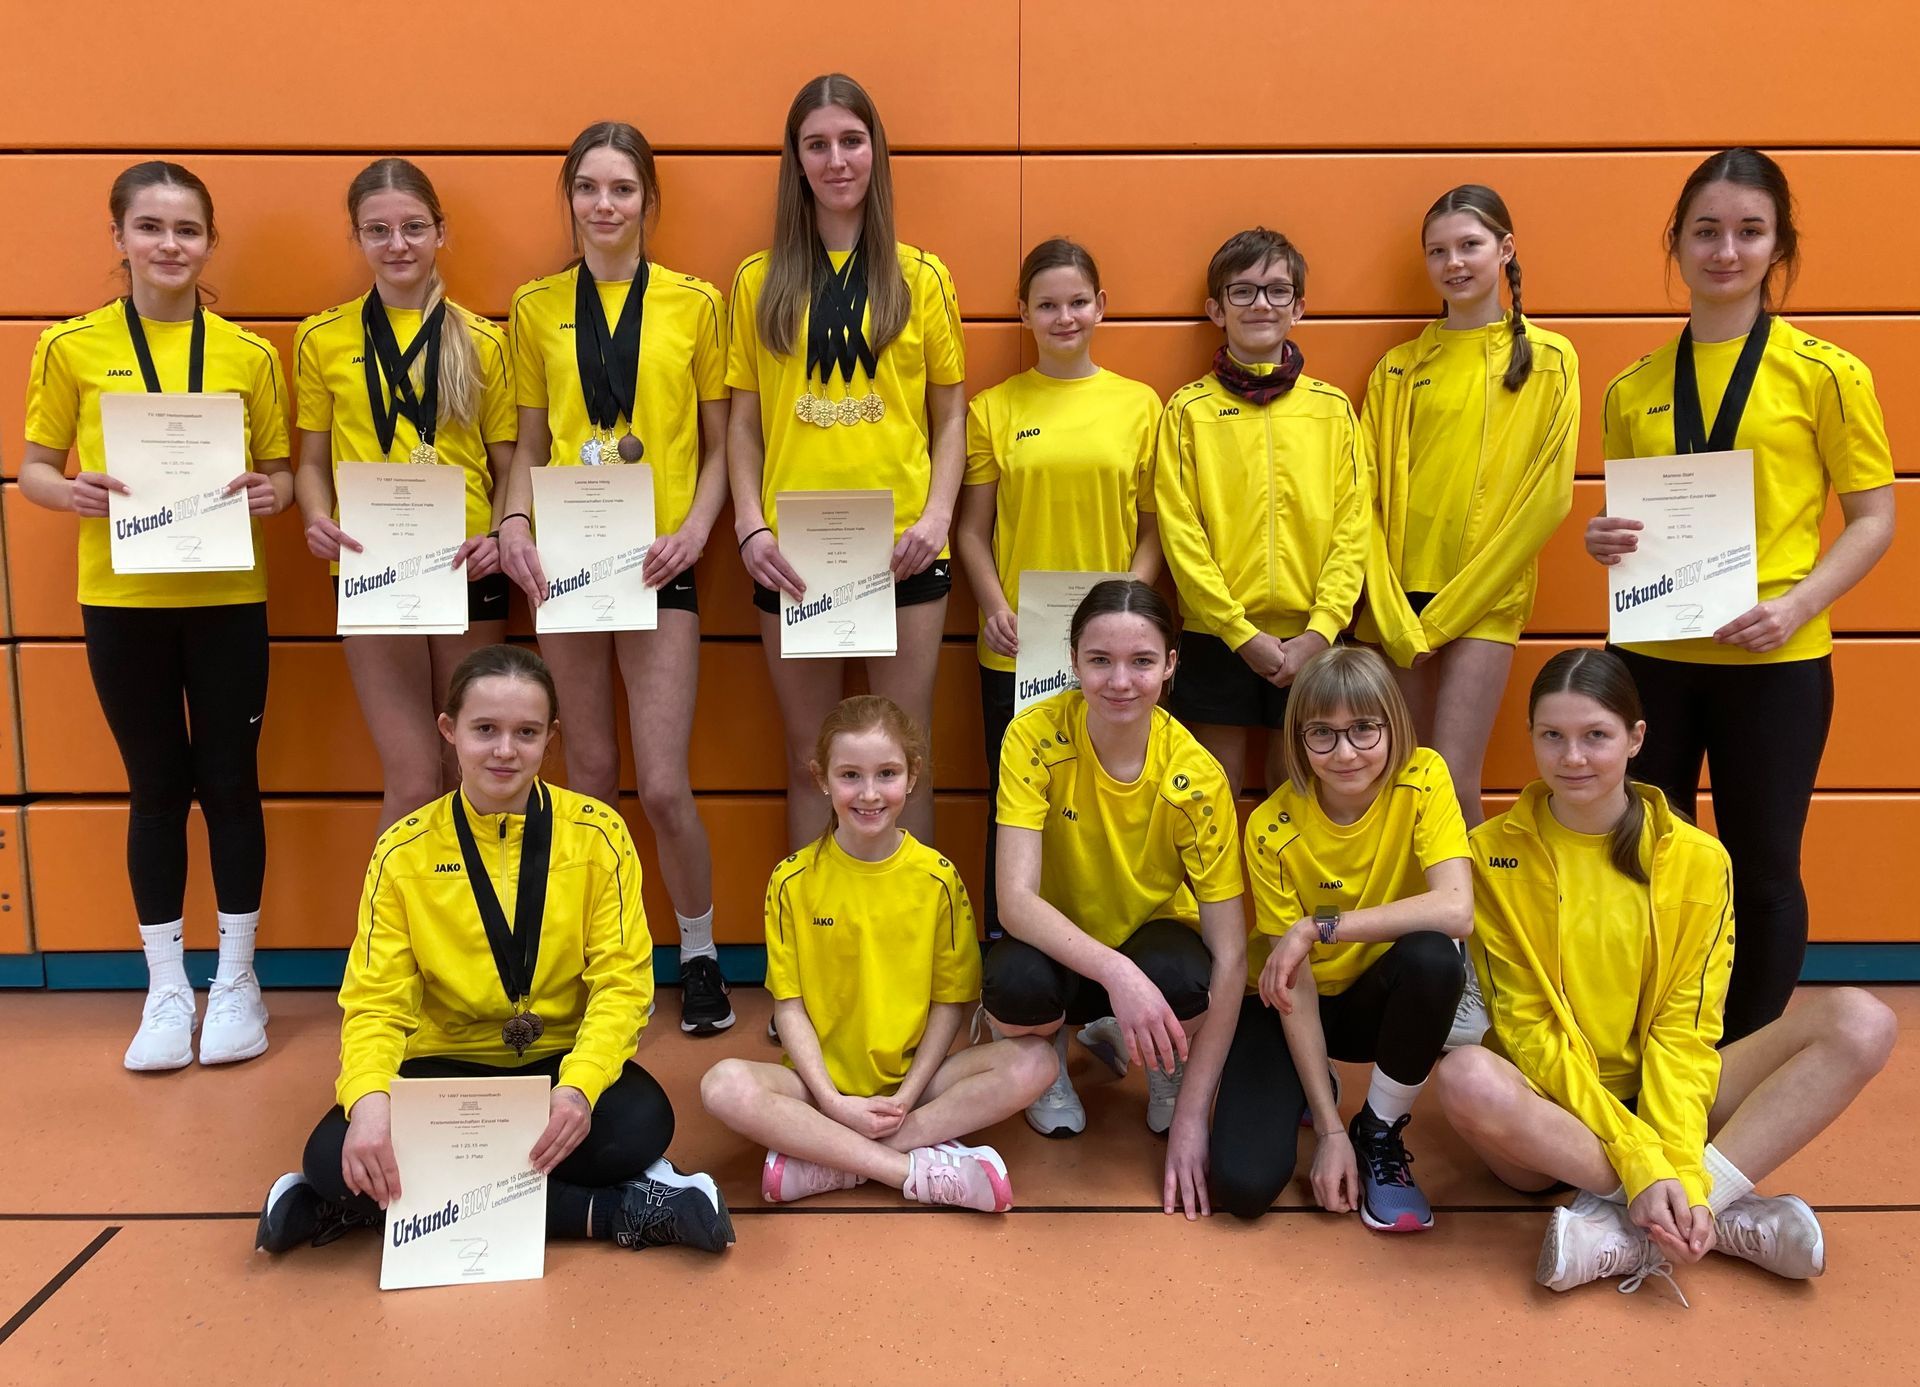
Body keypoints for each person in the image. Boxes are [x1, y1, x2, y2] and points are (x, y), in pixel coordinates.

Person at [1434, 649, 1895, 1300]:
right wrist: (1641, 1161)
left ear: (1636, 738)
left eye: (1596, 735)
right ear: (1531, 736)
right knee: (1465, 1077)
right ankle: (1697, 1208)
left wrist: (1671, 1160)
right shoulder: (1488, 857)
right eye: (1552, 735)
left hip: (1669, 1093)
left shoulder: (1699, 860)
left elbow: (1685, 1029)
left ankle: (1661, 1216)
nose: (1573, 757)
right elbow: (1528, 1032)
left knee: (1862, 1021)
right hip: (1553, 1112)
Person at [255, 644, 733, 1256]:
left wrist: (580, 1087)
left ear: (549, 738)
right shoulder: (402, 851)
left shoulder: (599, 835)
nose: (505, 750)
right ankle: (619, 1209)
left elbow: (623, 986)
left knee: (640, 1123)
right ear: (449, 730)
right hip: (442, 1069)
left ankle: (369, 1208)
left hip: (556, 1065)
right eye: (485, 729)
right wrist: (370, 1100)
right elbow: (375, 1003)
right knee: (331, 1155)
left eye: (526, 733)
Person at [1586, 148, 1894, 1042]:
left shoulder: (1826, 374)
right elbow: (1636, 524)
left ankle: (1742, 1059)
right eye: (1707, 231)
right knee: (1646, 861)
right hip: (1651, 659)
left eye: (1750, 232)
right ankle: (1658, 1041)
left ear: (1778, 247)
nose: (1726, 251)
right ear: (1677, 243)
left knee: (1761, 871)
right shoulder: (1633, 386)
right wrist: (1605, 537)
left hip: (1775, 657)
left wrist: (1797, 605)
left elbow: (1874, 519)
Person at [19, 161, 293, 1071]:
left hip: (227, 599)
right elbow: (35, 468)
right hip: (123, 600)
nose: (169, 244)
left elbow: (282, 474)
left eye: (187, 229)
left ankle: (238, 979)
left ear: (209, 242)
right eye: (150, 227)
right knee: (155, 789)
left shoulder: (248, 355)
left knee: (231, 783)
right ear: (119, 238)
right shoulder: (69, 346)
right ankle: (167, 986)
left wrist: (274, 492)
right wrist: (71, 492)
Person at [497, 121, 735, 1037]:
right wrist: (514, 523)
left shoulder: (695, 303)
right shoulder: (534, 307)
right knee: (590, 776)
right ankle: (607, 963)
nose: (605, 204)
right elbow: (528, 440)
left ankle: (700, 953)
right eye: (589, 188)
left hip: (657, 559)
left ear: (648, 200)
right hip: (566, 562)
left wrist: (696, 530)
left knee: (664, 786)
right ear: (570, 198)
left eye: (622, 188)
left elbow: (721, 444)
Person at [1356, 185, 1579, 1051]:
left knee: (1451, 776)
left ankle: (1473, 963)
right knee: (1392, 783)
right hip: (1396, 607)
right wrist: (1392, 608)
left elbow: (1547, 497)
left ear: (1505, 250)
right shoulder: (1397, 368)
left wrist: (1447, 611)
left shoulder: (1549, 359)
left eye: (1470, 245)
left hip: (1482, 602)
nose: (1453, 263)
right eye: (1439, 250)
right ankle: (1400, 958)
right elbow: (1366, 499)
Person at [729, 72, 966, 850]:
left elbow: (951, 417)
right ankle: (811, 925)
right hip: (792, 554)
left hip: (905, 546)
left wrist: (936, 519)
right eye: (817, 144)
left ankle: (917, 927)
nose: (836, 160)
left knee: (904, 759)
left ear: (876, 152)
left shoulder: (921, 276)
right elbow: (744, 425)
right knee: (813, 760)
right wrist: (750, 527)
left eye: (852, 141)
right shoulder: (759, 281)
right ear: (795, 160)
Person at [700, 696, 1054, 1212]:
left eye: (887, 773)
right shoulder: (792, 881)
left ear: (912, 776)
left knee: (1037, 1062)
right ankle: (908, 1171)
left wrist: (906, 1097)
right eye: (850, 776)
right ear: (822, 779)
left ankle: (831, 1158)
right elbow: (789, 1008)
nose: (869, 794)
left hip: (916, 1087)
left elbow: (948, 1005)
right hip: (818, 1089)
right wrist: (832, 1102)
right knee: (722, 1086)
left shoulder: (938, 879)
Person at [979, 579, 1246, 1219]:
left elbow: (1233, 955)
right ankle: (1052, 1059)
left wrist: (1194, 1117)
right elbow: (1014, 901)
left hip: (1152, 949)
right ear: (1073, 661)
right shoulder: (1032, 736)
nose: (1120, 681)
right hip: (1058, 943)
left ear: (1171, 664)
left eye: (1141, 661)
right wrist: (1116, 973)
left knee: (1190, 976)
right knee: (1012, 984)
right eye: (1100, 660)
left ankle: (1165, 1063)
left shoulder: (1197, 776)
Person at [1210, 646, 1469, 1232]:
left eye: (1363, 729)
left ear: (1392, 726)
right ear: (1298, 741)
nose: (1345, 752)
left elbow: (1456, 909)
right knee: (1243, 1188)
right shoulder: (1270, 826)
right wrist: (1328, 1131)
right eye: (1322, 734)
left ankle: (1379, 1130)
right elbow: (1293, 982)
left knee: (1434, 957)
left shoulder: (1424, 778)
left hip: (1377, 1002)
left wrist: (1315, 927)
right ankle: (1319, 1093)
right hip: (1290, 1002)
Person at [293, 157, 516, 833]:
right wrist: (316, 516)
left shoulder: (483, 341)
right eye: (378, 230)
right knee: (415, 774)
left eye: (414, 227)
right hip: (371, 567)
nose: (398, 244)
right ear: (357, 236)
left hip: (465, 565)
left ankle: (471, 902)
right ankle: (395, 908)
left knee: (469, 770)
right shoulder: (321, 338)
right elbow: (310, 463)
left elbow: (510, 463)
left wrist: (500, 534)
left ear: (440, 232)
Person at [954, 237, 1161, 939]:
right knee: (1017, 802)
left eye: (1077, 302)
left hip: (1115, 651)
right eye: (1047, 305)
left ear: (1101, 306)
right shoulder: (994, 408)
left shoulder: (1140, 406)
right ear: (1023, 313)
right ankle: (1008, 949)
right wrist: (994, 607)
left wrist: (1126, 616)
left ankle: (1113, 946)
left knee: (1111, 801)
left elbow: (1154, 531)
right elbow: (971, 531)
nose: (1064, 317)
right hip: (1020, 646)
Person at [1155, 227, 1367, 804]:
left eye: (1277, 291)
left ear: (1298, 307)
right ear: (1216, 309)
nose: (1261, 305)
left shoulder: (1332, 409)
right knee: (1211, 797)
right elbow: (1180, 533)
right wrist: (1238, 632)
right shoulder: (1187, 410)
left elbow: (1354, 528)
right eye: (1243, 291)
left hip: (1313, 637)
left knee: (1304, 793)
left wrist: (1321, 629)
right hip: (1219, 636)